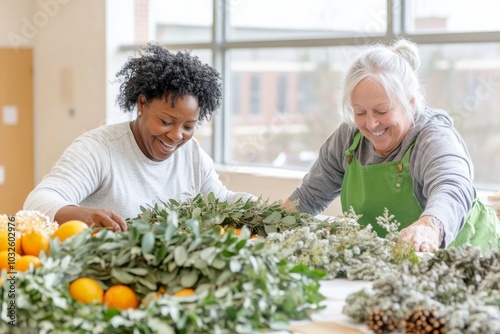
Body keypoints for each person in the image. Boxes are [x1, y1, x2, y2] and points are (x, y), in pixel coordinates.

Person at [282, 38, 500, 253]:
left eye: (382, 111)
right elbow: (308, 198)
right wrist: (269, 224)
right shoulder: (349, 136)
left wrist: (428, 227)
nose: (370, 123)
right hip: (398, 263)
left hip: (470, 256)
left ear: (410, 102)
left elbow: (452, 188)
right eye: (360, 112)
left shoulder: (433, 138)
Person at [24, 43, 256, 232]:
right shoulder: (98, 149)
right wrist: (78, 213)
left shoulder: (192, 154)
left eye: (188, 126)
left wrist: (270, 209)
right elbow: (37, 202)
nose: (176, 135)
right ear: (142, 104)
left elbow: (223, 200)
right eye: (166, 122)